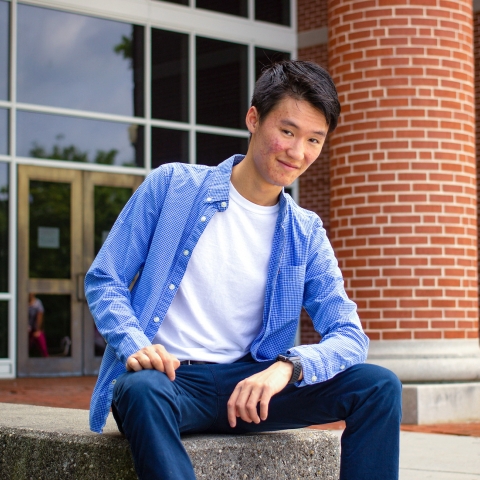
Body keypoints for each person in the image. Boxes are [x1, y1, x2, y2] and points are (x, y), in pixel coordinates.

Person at [85, 60, 402, 480]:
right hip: (171, 380)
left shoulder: (305, 232)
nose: (297, 152)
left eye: (313, 140)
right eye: (287, 132)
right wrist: (135, 344)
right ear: (254, 118)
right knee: (140, 389)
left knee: (378, 386)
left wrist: (286, 367)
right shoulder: (172, 187)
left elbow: (349, 335)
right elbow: (105, 278)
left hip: (252, 388)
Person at [28, 293, 49, 357]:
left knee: (42, 344)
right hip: (26, 329)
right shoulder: (22, 302)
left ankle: (46, 359)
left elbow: (40, 316)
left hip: (36, 328)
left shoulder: (37, 303)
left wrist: (37, 329)